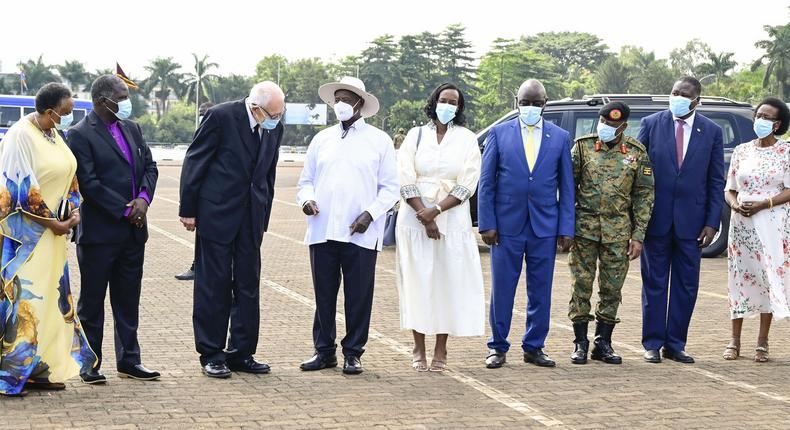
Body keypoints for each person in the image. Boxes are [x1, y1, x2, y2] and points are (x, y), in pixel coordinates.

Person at [179, 82, 284, 378]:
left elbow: (269, 173)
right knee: (214, 285)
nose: (278, 118)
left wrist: (264, 216)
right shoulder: (221, 117)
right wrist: (188, 208)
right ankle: (211, 353)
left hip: (251, 219)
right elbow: (196, 160)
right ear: (255, 107)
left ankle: (242, 351)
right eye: (274, 113)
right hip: (217, 215)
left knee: (248, 285)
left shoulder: (274, 126)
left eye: (281, 112)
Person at [0, 83, 97, 397]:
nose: (68, 117)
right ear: (48, 110)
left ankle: (39, 370)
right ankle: (11, 374)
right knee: (25, 301)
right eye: (65, 112)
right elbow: (19, 189)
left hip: (55, 234)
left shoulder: (53, 133)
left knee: (50, 304)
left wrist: (73, 210)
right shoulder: (19, 135)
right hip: (27, 237)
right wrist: (54, 222)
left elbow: (69, 173)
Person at [297, 77, 398, 375]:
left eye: (345, 98)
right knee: (324, 295)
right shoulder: (321, 139)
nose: (339, 103)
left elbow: (390, 188)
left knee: (358, 296)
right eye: (336, 98)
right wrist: (307, 200)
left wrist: (370, 214)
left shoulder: (379, 140)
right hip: (322, 229)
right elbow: (306, 182)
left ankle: (353, 352)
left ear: (360, 104)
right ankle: (324, 351)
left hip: (361, 232)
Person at [68, 75, 160, 383]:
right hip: (99, 234)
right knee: (92, 302)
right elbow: (89, 183)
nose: (126, 102)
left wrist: (143, 201)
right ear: (102, 101)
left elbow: (150, 167)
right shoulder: (80, 134)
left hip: (134, 231)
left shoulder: (132, 128)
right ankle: (89, 363)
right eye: (121, 97)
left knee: (127, 299)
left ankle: (129, 361)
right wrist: (125, 209)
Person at [478, 79, 574, 369]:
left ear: (545, 104)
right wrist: (487, 223)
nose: (530, 107)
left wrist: (566, 227)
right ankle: (497, 346)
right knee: (503, 288)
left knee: (540, 290)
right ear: (516, 103)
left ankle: (534, 346)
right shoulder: (498, 133)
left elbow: (567, 187)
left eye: (536, 103)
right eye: (525, 102)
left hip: (544, 226)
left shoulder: (559, 137)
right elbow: (487, 183)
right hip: (507, 225)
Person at [395, 83, 484, 372]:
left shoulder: (467, 139)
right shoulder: (415, 135)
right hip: (414, 217)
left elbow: (467, 182)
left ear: (459, 108)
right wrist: (423, 212)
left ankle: (441, 349)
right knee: (418, 281)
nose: (447, 106)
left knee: (447, 281)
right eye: (443, 100)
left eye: (453, 102)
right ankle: (418, 347)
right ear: (434, 102)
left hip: (451, 218)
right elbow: (405, 174)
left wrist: (436, 210)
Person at [638, 76, 725, 364]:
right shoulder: (652, 124)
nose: (677, 97)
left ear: (697, 100)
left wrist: (712, 222)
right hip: (656, 219)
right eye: (674, 92)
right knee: (654, 283)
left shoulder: (711, 131)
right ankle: (652, 343)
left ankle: (675, 344)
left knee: (686, 285)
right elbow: (637, 174)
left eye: (684, 94)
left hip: (693, 222)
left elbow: (715, 181)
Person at [567, 102, 654, 365]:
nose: (605, 127)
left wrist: (638, 235)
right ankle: (580, 343)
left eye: (613, 125)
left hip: (618, 234)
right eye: (603, 122)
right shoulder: (582, 147)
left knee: (612, 289)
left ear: (624, 127)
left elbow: (644, 195)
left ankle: (603, 343)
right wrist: (565, 228)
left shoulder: (637, 153)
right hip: (584, 231)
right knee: (580, 286)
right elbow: (567, 189)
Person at [723, 97, 790, 362]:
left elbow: (788, 189)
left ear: (777, 124)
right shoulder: (741, 150)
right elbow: (730, 188)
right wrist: (735, 204)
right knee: (740, 277)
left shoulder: (786, 152)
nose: (760, 120)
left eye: (767, 117)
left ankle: (762, 341)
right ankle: (734, 340)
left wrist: (765, 203)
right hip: (742, 223)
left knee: (767, 276)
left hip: (772, 221)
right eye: (758, 115)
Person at [175, 101, 215, 282]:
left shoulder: (217, 129)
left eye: (205, 113)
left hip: (214, 198)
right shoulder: (201, 131)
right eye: (200, 113)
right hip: (201, 198)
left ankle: (200, 267)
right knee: (202, 238)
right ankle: (197, 265)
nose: (202, 116)